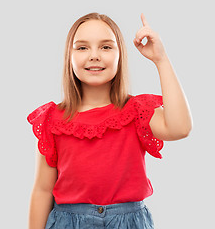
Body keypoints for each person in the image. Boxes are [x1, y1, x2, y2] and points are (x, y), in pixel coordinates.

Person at [27, 12, 192, 229]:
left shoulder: (136, 111)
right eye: (82, 47)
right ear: (69, 56)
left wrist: (161, 59)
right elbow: (43, 189)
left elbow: (180, 127)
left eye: (106, 47)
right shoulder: (52, 120)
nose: (94, 55)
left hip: (129, 222)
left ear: (119, 55)